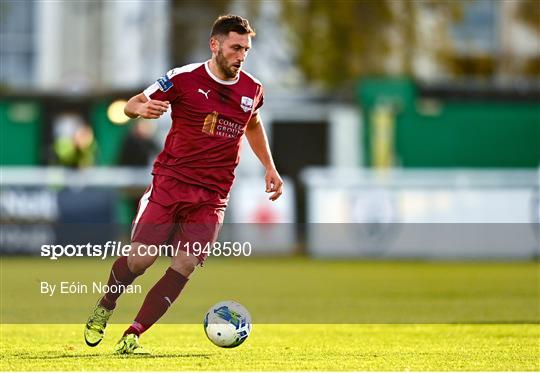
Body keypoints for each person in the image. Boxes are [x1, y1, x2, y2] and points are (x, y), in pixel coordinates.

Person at [83, 14, 283, 355]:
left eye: (246, 49)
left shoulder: (253, 89)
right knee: (141, 261)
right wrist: (142, 111)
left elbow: (252, 125)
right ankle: (106, 304)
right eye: (235, 48)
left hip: (213, 195)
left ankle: (134, 333)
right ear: (215, 44)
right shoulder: (183, 78)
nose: (241, 56)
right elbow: (133, 104)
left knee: (186, 264)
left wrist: (269, 166)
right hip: (170, 185)